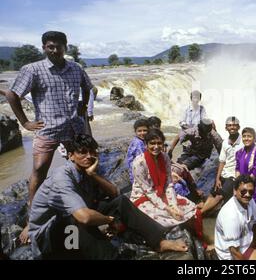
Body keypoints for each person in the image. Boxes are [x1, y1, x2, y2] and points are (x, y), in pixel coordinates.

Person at [28, 134, 188, 259]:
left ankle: (158, 241)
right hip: (49, 237)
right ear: (71, 156)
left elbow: (115, 194)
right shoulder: (62, 178)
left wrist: (93, 175)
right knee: (75, 220)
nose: (88, 156)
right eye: (82, 152)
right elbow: (84, 217)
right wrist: (110, 221)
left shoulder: (88, 169)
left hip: (74, 220)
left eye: (92, 152)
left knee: (120, 202)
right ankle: (109, 256)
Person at [4, 31, 92, 244]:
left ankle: (84, 205)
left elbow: (88, 87)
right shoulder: (32, 70)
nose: (54, 50)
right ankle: (32, 220)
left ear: (65, 47)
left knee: (81, 166)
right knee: (39, 169)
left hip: (73, 127)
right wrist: (25, 122)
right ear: (44, 47)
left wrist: (82, 105)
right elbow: (12, 94)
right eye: (50, 46)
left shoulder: (76, 68)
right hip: (48, 128)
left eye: (58, 46)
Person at [130, 129, 203, 239]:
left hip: (162, 192)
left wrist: (173, 205)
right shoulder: (139, 162)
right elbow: (148, 191)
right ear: (146, 145)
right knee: (161, 215)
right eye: (152, 143)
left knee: (192, 210)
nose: (156, 146)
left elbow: (169, 183)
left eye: (159, 143)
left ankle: (197, 238)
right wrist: (168, 209)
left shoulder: (165, 157)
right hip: (143, 196)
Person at [200, 116, 244, 215]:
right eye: (229, 125)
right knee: (212, 194)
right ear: (226, 128)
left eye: (234, 125)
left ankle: (200, 214)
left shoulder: (243, 142)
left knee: (219, 196)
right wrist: (217, 178)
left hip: (234, 176)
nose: (232, 127)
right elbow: (222, 161)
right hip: (224, 174)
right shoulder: (225, 142)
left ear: (238, 127)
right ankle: (201, 210)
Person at [235, 127, 256, 210]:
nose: (246, 139)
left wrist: (245, 186)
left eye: (249, 136)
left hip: (255, 185)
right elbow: (237, 169)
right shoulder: (239, 152)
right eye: (244, 136)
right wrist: (238, 184)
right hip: (242, 184)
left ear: (254, 138)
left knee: (251, 208)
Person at [126, 119, 150, 184]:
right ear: (135, 132)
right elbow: (143, 161)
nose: (142, 133)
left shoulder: (142, 140)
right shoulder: (138, 143)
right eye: (139, 131)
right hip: (138, 174)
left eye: (145, 130)